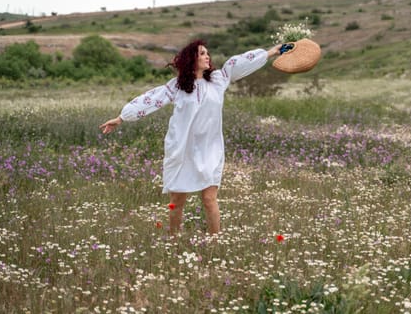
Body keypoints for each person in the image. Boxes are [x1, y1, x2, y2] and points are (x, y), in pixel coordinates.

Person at [99, 39, 282, 235]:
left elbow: (239, 63)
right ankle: (173, 241)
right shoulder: (177, 87)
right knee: (177, 202)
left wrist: (271, 52)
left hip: (209, 149)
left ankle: (215, 242)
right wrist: (121, 118)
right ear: (191, 59)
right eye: (202, 53)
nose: (207, 57)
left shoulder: (219, 80)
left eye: (207, 53)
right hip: (183, 149)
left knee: (209, 199)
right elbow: (151, 99)